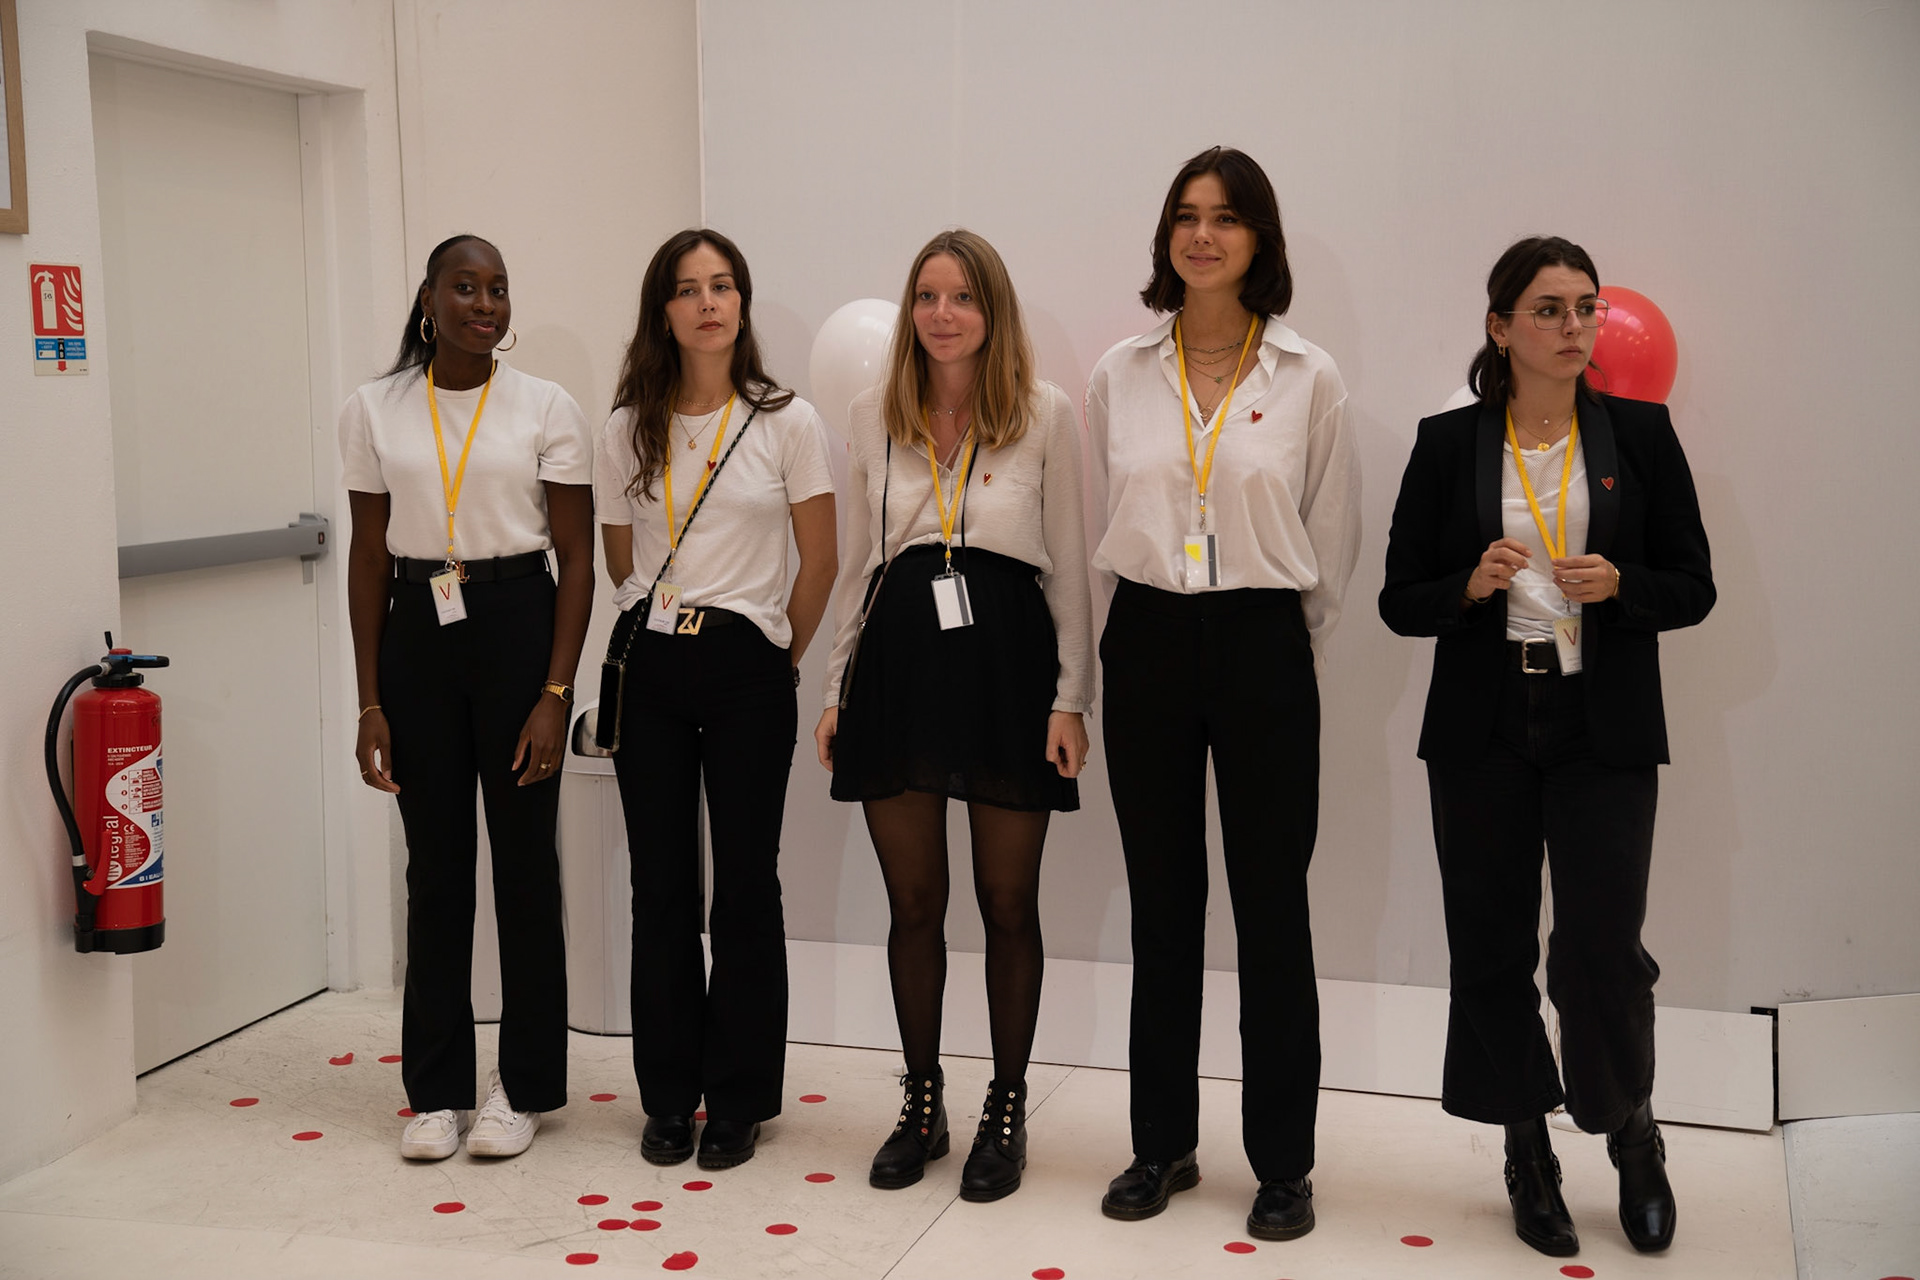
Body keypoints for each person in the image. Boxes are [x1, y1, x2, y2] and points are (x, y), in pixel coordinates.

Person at [1379, 236, 1714, 1257]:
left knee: (1601, 948)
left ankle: (1630, 1129)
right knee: (1490, 947)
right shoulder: (1449, 444)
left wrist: (1622, 584)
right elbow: (1400, 599)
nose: (1575, 327)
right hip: (1484, 724)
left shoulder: (1640, 436)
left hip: (1599, 723)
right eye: (1550, 310)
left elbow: (1693, 585)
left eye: (1587, 307)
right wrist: (1468, 586)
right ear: (1501, 328)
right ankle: (1525, 1145)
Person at [1084, 147, 1360, 1241]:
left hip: (1261, 643)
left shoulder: (1307, 375)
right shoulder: (1119, 373)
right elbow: (1099, 529)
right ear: (1167, 236)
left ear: (1259, 239)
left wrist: (1285, 652)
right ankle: (1162, 1143)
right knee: (1163, 904)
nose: (1203, 236)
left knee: (1273, 909)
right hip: (1148, 636)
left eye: (1227, 218)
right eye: (1187, 217)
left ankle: (1283, 1162)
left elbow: (1330, 540)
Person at [815, 229, 1092, 1202]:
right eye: (927, 296)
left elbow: (1070, 566)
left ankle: (1006, 1105)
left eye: (963, 296)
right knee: (914, 905)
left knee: (1008, 901)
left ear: (992, 311)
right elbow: (860, 564)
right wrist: (836, 688)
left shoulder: (1044, 413)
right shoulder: (873, 413)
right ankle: (921, 1101)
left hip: (1010, 672)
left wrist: (1071, 697)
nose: (943, 314)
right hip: (898, 671)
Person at [342, 233, 595, 1160]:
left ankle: (523, 1086)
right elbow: (367, 559)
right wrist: (369, 701)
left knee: (524, 866)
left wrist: (556, 691)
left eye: (497, 288)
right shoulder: (374, 408)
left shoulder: (546, 406)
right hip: (418, 628)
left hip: (519, 622)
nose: (485, 304)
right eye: (465, 287)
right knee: (436, 870)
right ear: (429, 301)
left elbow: (577, 562)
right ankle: (437, 1091)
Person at [597, 228, 837, 1171]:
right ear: (663, 311)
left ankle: (737, 1098)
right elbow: (619, 560)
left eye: (724, 285)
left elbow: (820, 562)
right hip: (651, 667)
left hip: (747, 668)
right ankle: (668, 1095)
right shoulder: (628, 425)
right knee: (658, 886)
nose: (709, 303)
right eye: (689, 289)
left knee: (744, 886)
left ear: (742, 302)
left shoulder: (786, 421)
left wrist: (775, 656)